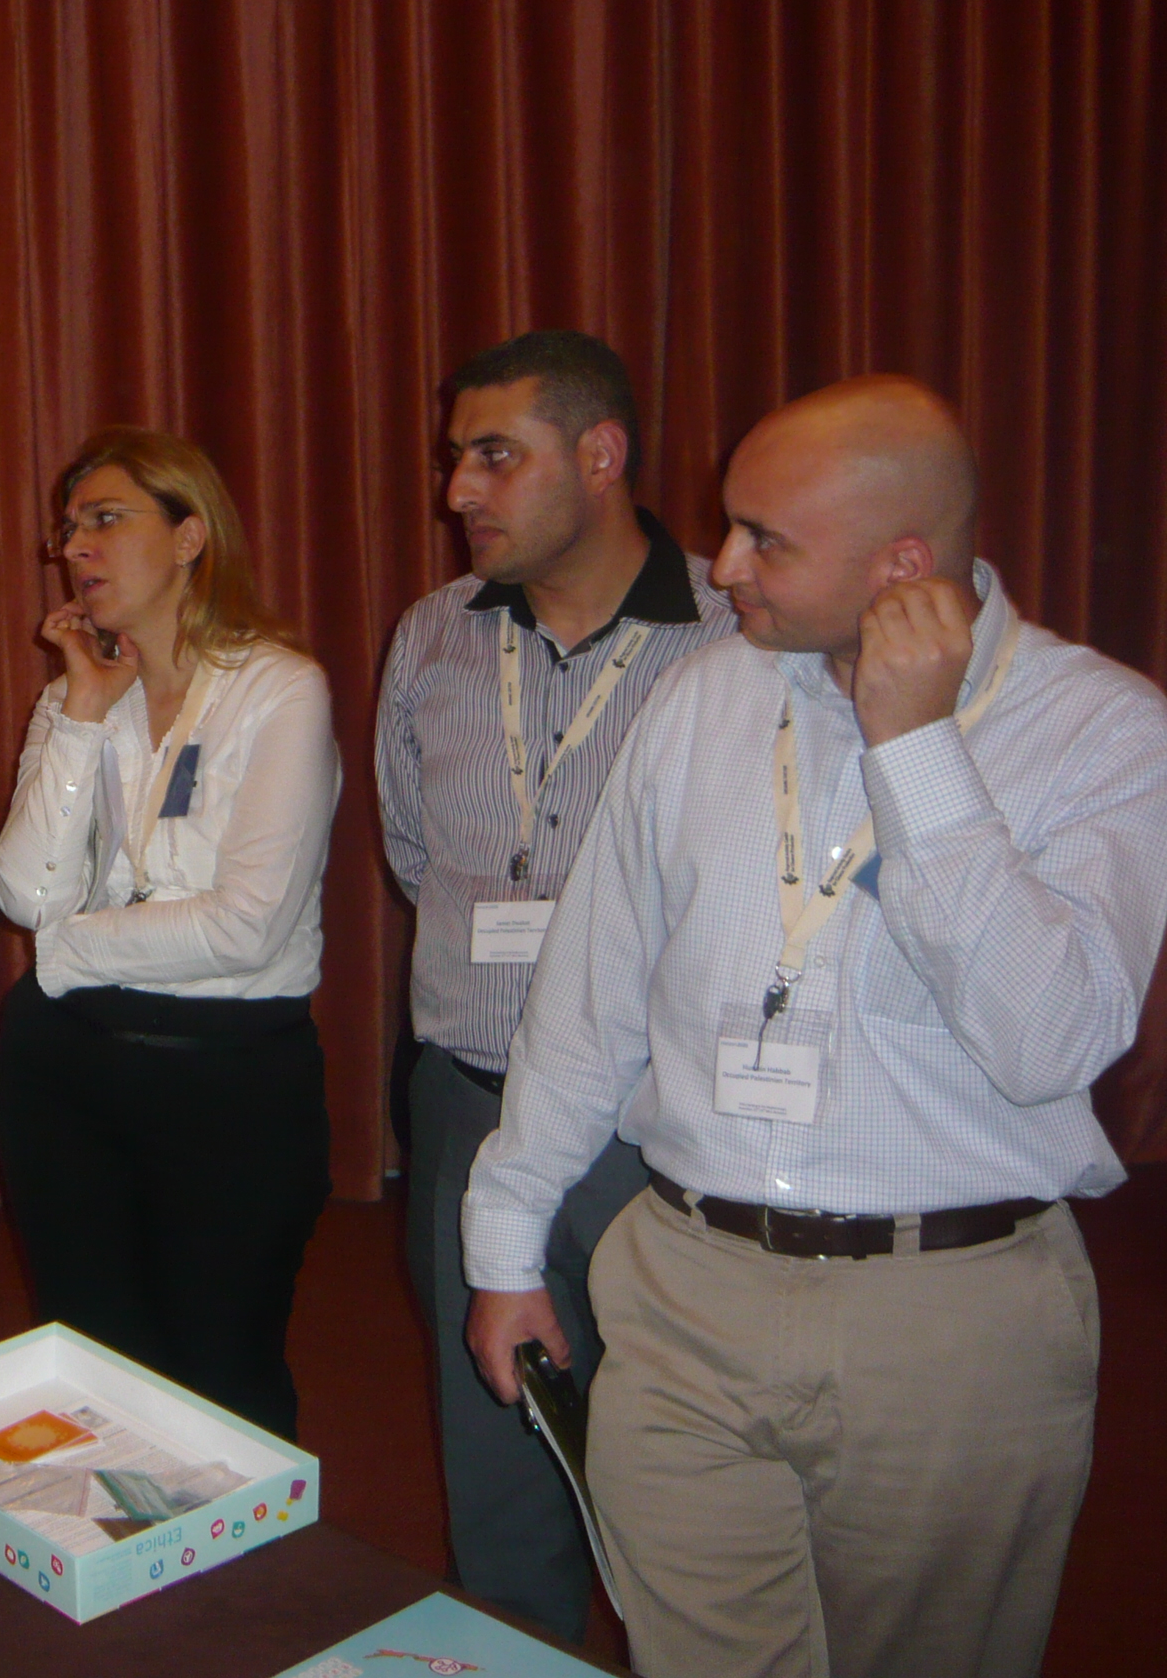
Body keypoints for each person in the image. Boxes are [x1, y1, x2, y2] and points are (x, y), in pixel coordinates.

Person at [462, 377, 1167, 1678]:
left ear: (901, 565)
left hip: (949, 1321)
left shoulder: (1106, 730)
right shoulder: (703, 699)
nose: (722, 565)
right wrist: (506, 1246)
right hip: (684, 1287)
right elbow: (589, 998)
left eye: (766, 539)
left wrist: (916, 753)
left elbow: (1048, 1043)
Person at [374, 331, 732, 1641]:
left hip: (658, 1129)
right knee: (500, 1461)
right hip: (469, 1103)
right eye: (453, 458)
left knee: (683, 1478)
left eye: (493, 456)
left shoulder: (735, 639)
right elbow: (417, 852)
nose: (457, 490)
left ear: (601, 455)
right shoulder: (435, 632)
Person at [0, 428, 339, 1439]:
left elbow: (247, 927)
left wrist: (70, 950)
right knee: (92, 1367)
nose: (75, 549)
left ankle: (246, 1548)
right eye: (68, 529)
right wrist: (82, 712)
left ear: (190, 537)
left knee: (223, 1375)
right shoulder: (74, 698)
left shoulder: (279, 689)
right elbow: (24, 893)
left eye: (105, 520)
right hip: (62, 1072)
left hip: (227, 1077)